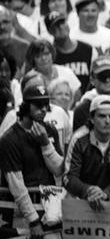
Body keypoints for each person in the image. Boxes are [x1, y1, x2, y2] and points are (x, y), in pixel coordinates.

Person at [0, 85, 64, 238]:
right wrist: (33, 221)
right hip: (22, 214)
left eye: (46, 104)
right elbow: (16, 185)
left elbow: (59, 170)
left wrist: (45, 144)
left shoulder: (49, 131)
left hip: (50, 209)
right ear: (26, 106)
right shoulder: (9, 139)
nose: (43, 109)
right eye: (38, 105)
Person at [65, 95, 110, 210]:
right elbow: (69, 177)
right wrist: (87, 190)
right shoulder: (78, 139)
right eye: (102, 116)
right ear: (92, 119)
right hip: (84, 193)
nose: (107, 121)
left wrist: (106, 194)